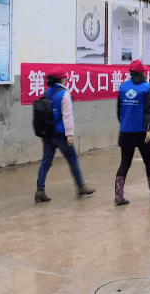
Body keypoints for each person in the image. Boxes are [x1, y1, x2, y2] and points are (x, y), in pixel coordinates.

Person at [35, 67, 95, 203]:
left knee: (46, 162)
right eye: (65, 77)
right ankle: (81, 187)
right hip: (61, 134)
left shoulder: (47, 92)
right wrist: (70, 135)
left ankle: (40, 190)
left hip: (47, 134)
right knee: (73, 159)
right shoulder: (64, 94)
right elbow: (67, 115)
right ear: (62, 79)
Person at [114, 59, 150, 206]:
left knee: (125, 163)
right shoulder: (147, 87)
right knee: (149, 161)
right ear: (142, 72)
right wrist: (148, 129)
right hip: (143, 132)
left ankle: (118, 196)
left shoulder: (123, 87)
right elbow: (149, 111)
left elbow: (119, 111)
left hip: (126, 131)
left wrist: (125, 123)